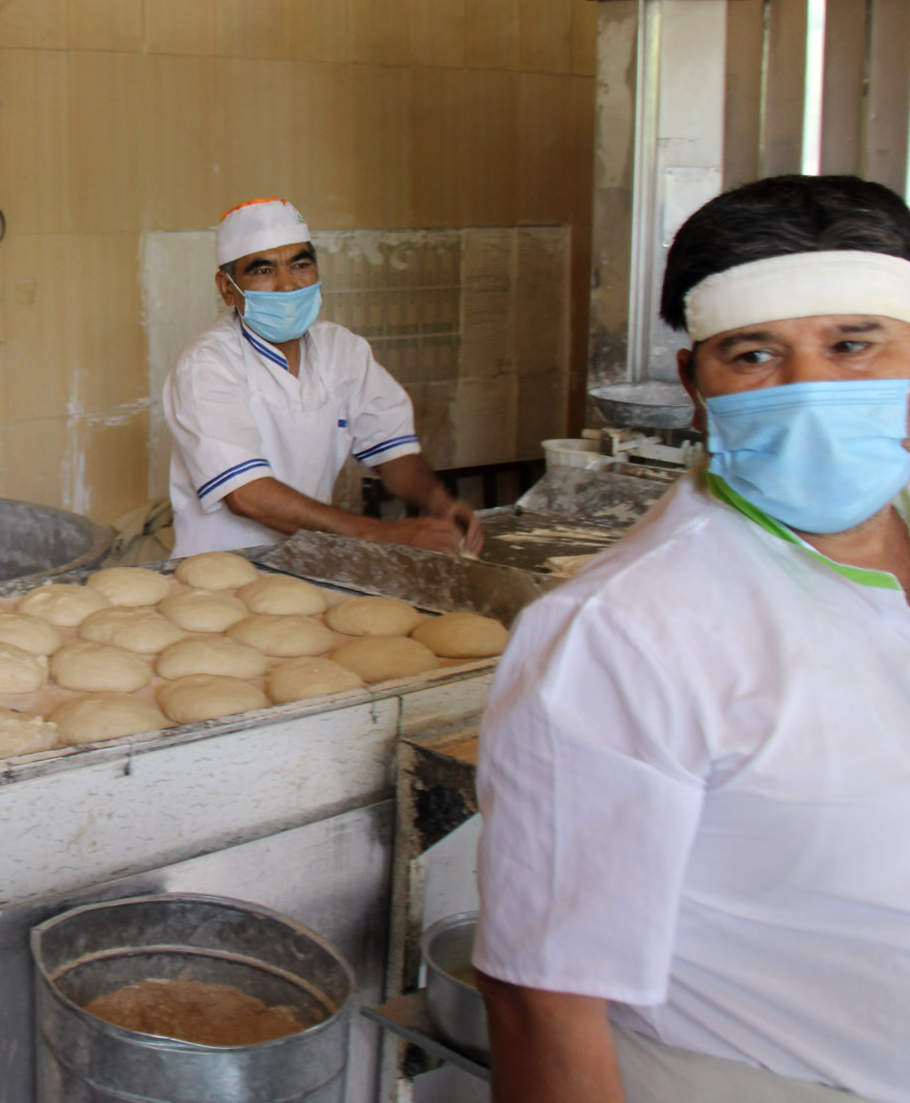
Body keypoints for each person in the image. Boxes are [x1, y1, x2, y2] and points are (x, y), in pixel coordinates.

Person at [475, 173, 910, 1102]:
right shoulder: (626, 631)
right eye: (752, 355)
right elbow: (541, 999)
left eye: (853, 345)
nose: (810, 391)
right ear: (694, 385)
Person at [161, 197, 482, 556]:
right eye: (263, 270)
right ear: (227, 288)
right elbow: (246, 496)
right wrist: (380, 534)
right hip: (225, 573)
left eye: (300, 264)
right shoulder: (206, 365)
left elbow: (392, 448)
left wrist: (439, 503)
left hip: (308, 562)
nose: (287, 285)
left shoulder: (342, 350)